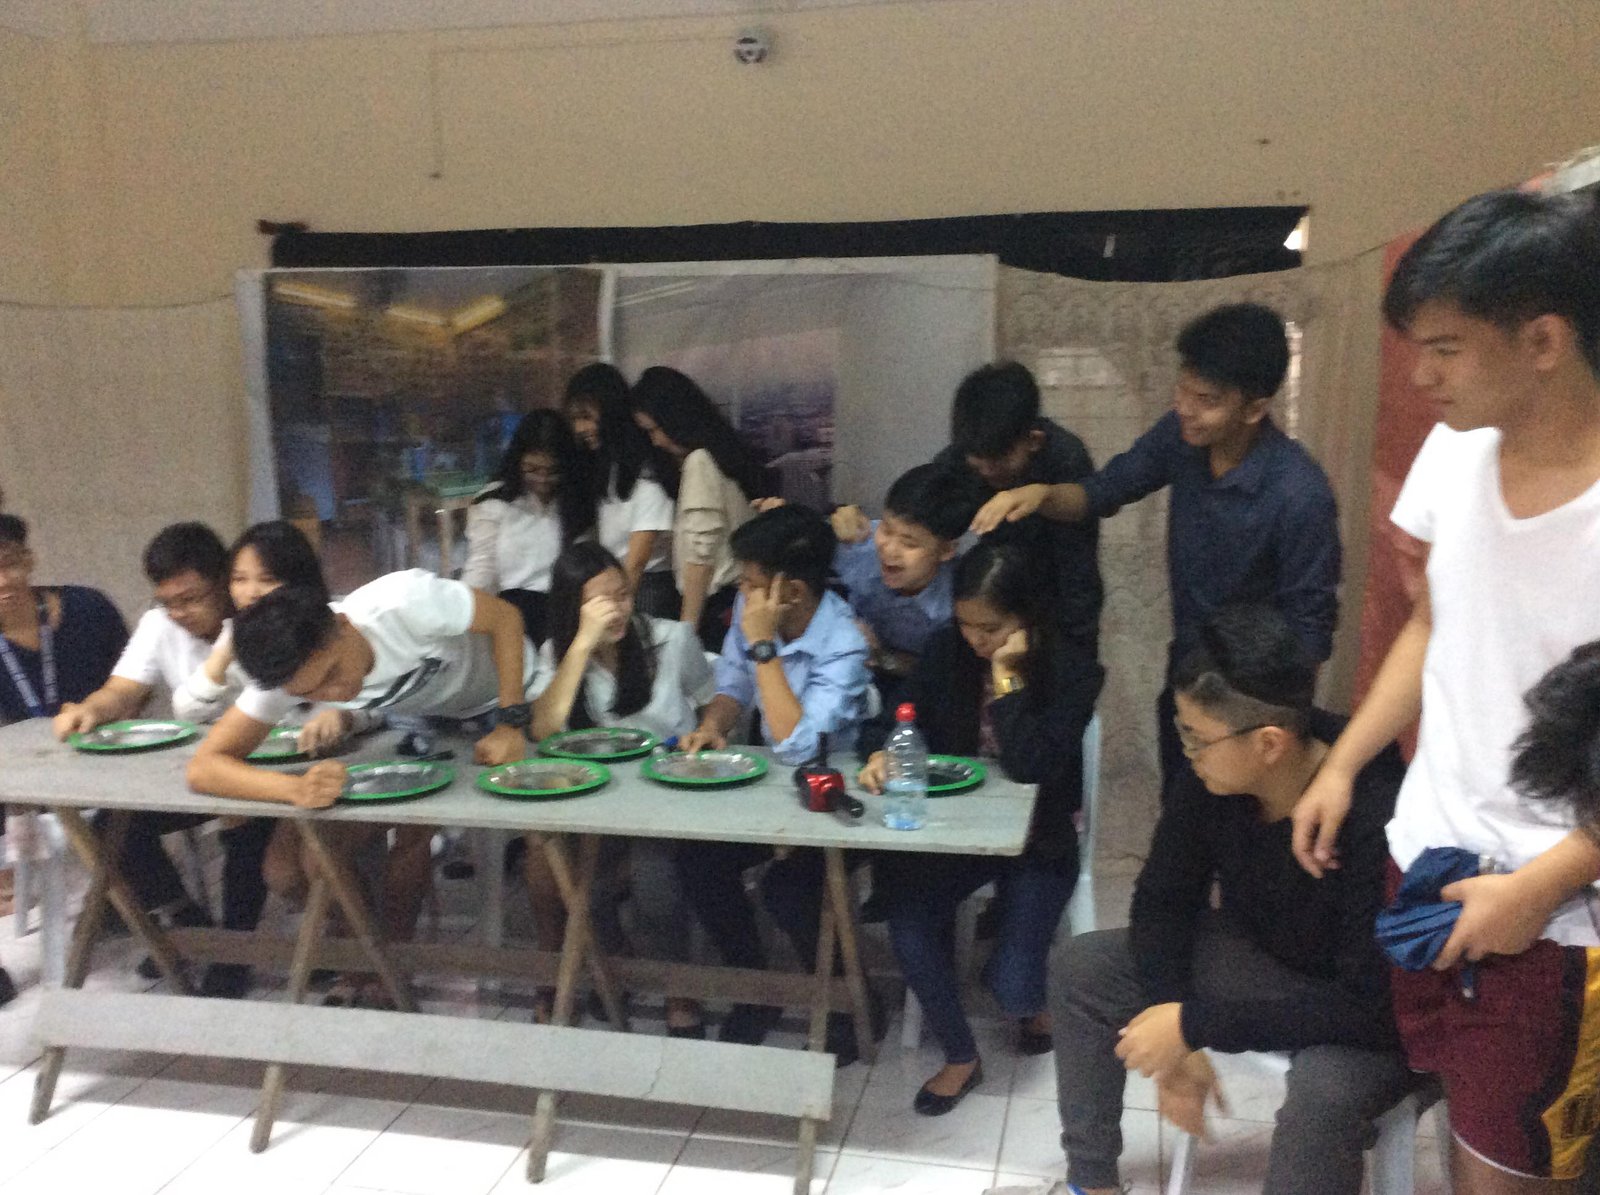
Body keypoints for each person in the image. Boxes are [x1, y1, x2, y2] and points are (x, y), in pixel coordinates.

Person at [1290, 189, 1600, 1194]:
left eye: (1446, 348)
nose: (1421, 376)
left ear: (1544, 339)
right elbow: (1434, 620)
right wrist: (1343, 762)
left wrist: (1540, 890)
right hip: (1426, 858)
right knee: (1461, 1127)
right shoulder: (1458, 447)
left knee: (1508, 1171)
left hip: (1552, 911)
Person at [1033, 606, 1411, 1195]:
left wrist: (1194, 1024)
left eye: (1197, 737)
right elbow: (1163, 900)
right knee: (1085, 967)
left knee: (1322, 1096)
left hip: (1372, 1013)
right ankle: (1092, 1183)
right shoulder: (1214, 775)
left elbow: (1372, 1006)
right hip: (1264, 959)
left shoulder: (1378, 809)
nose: (1187, 750)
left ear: (1269, 743)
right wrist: (1170, 1016)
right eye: (1182, 730)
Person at [971, 308, 1340, 801]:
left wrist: (1278, 734)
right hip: (1187, 680)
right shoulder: (1180, 438)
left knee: (1243, 833)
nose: (1185, 408)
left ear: (1255, 409)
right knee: (1180, 819)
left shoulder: (1299, 493)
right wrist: (1040, 495)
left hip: (1252, 709)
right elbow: (1102, 491)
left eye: (1206, 400)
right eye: (1182, 390)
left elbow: (1310, 630)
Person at [187, 569, 536, 1007]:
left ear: (343, 625)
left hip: (506, 696)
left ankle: (384, 974)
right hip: (421, 720)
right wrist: (293, 789)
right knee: (288, 868)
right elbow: (204, 767)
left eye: (333, 672)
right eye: (312, 692)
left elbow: (506, 619)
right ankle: (369, 957)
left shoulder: (405, 601)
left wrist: (510, 722)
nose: (335, 691)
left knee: (413, 830)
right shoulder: (290, 669)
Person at [858, 540, 1102, 1115]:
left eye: (991, 628)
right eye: (966, 624)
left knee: (1013, 987)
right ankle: (961, 1055)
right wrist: (883, 749)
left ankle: (1028, 996)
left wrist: (1008, 678)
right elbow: (897, 715)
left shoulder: (1072, 669)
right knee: (908, 918)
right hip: (959, 833)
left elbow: (1031, 766)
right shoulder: (948, 649)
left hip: (1039, 838)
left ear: (1028, 617)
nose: (976, 639)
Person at [672, 505, 874, 1058]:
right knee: (698, 859)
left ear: (793, 591)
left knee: (791, 891)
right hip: (771, 790)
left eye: (751, 582)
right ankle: (756, 989)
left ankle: (848, 1004)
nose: (741, 590)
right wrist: (713, 726)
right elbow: (734, 684)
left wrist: (764, 647)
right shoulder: (753, 607)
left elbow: (799, 744)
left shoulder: (845, 643)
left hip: (839, 799)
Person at [50, 522, 279, 998]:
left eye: (190, 599)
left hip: (271, 767)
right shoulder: (160, 624)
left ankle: (234, 953)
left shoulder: (262, 622)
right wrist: (90, 709)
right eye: (167, 601)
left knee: (244, 821)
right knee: (113, 824)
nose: (179, 613)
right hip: (197, 771)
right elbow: (121, 690)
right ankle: (185, 919)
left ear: (224, 582)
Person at [528, 542, 715, 1034]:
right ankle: (615, 967)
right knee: (577, 879)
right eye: (599, 602)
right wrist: (581, 647)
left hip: (669, 791)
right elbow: (544, 728)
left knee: (655, 877)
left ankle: (679, 986)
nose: (616, 609)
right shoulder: (556, 652)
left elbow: (713, 702)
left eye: (623, 595)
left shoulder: (671, 639)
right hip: (598, 798)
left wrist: (708, 735)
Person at [0, 512, 127, 1007]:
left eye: (8, 564)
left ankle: (159, 906)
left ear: (29, 560)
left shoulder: (88, 609)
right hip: (24, 775)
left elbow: (135, 686)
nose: (2, 582)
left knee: (122, 809)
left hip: (105, 755)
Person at [932, 362, 1103, 655]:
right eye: (978, 462)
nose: (987, 471)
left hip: (1058, 595)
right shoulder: (961, 455)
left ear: (1034, 440)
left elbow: (1076, 567)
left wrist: (1076, 647)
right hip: (991, 599)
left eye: (998, 460)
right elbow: (925, 513)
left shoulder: (1066, 459)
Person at [829, 462, 988, 715]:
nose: (889, 549)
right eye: (886, 529)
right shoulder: (859, 543)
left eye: (909, 543)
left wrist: (881, 656)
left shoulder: (956, 602)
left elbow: (945, 675)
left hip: (914, 688)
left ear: (946, 550)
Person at [631, 366, 766, 650]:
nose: (656, 441)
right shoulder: (722, 454)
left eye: (655, 430)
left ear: (675, 419)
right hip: (736, 598)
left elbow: (700, 556)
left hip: (714, 605)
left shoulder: (699, 463)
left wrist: (687, 629)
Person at [461, 409, 596, 645]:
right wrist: (464, 611)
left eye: (553, 471)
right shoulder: (495, 501)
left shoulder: (577, 501)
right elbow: (481, 568)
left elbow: (587, 565)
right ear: (517, 460)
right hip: (511, 612)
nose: (542, 480)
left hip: (565, 613)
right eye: (532, 469)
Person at [562, 363, 678, 618]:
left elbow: (637, 560)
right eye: (574, 420)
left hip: (645, 589)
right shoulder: (608, 468)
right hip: (619, 583)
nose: (580, 429)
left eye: (586, 417)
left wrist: (618, 606)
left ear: (611, 410)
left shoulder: (647, 472)